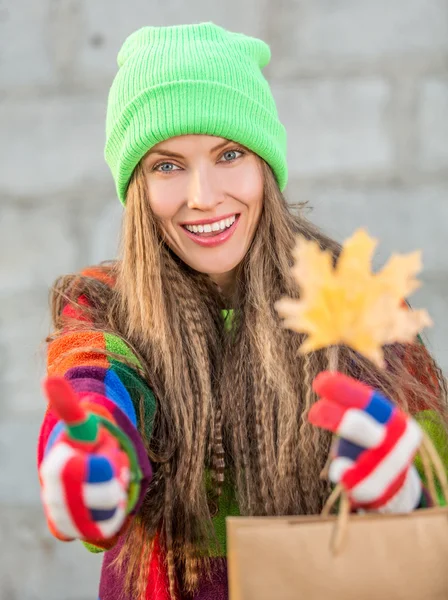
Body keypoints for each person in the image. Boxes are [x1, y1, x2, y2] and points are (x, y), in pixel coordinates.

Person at [37, 22, 448, 600]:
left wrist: (405, 488)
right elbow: (95, 386)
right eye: (167, 165)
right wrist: (93, 454)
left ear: (264, 167)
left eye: (229, 154)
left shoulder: (358, 302)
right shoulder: (103, 305)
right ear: (137, 187)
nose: (203, 194)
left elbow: (434, 486)